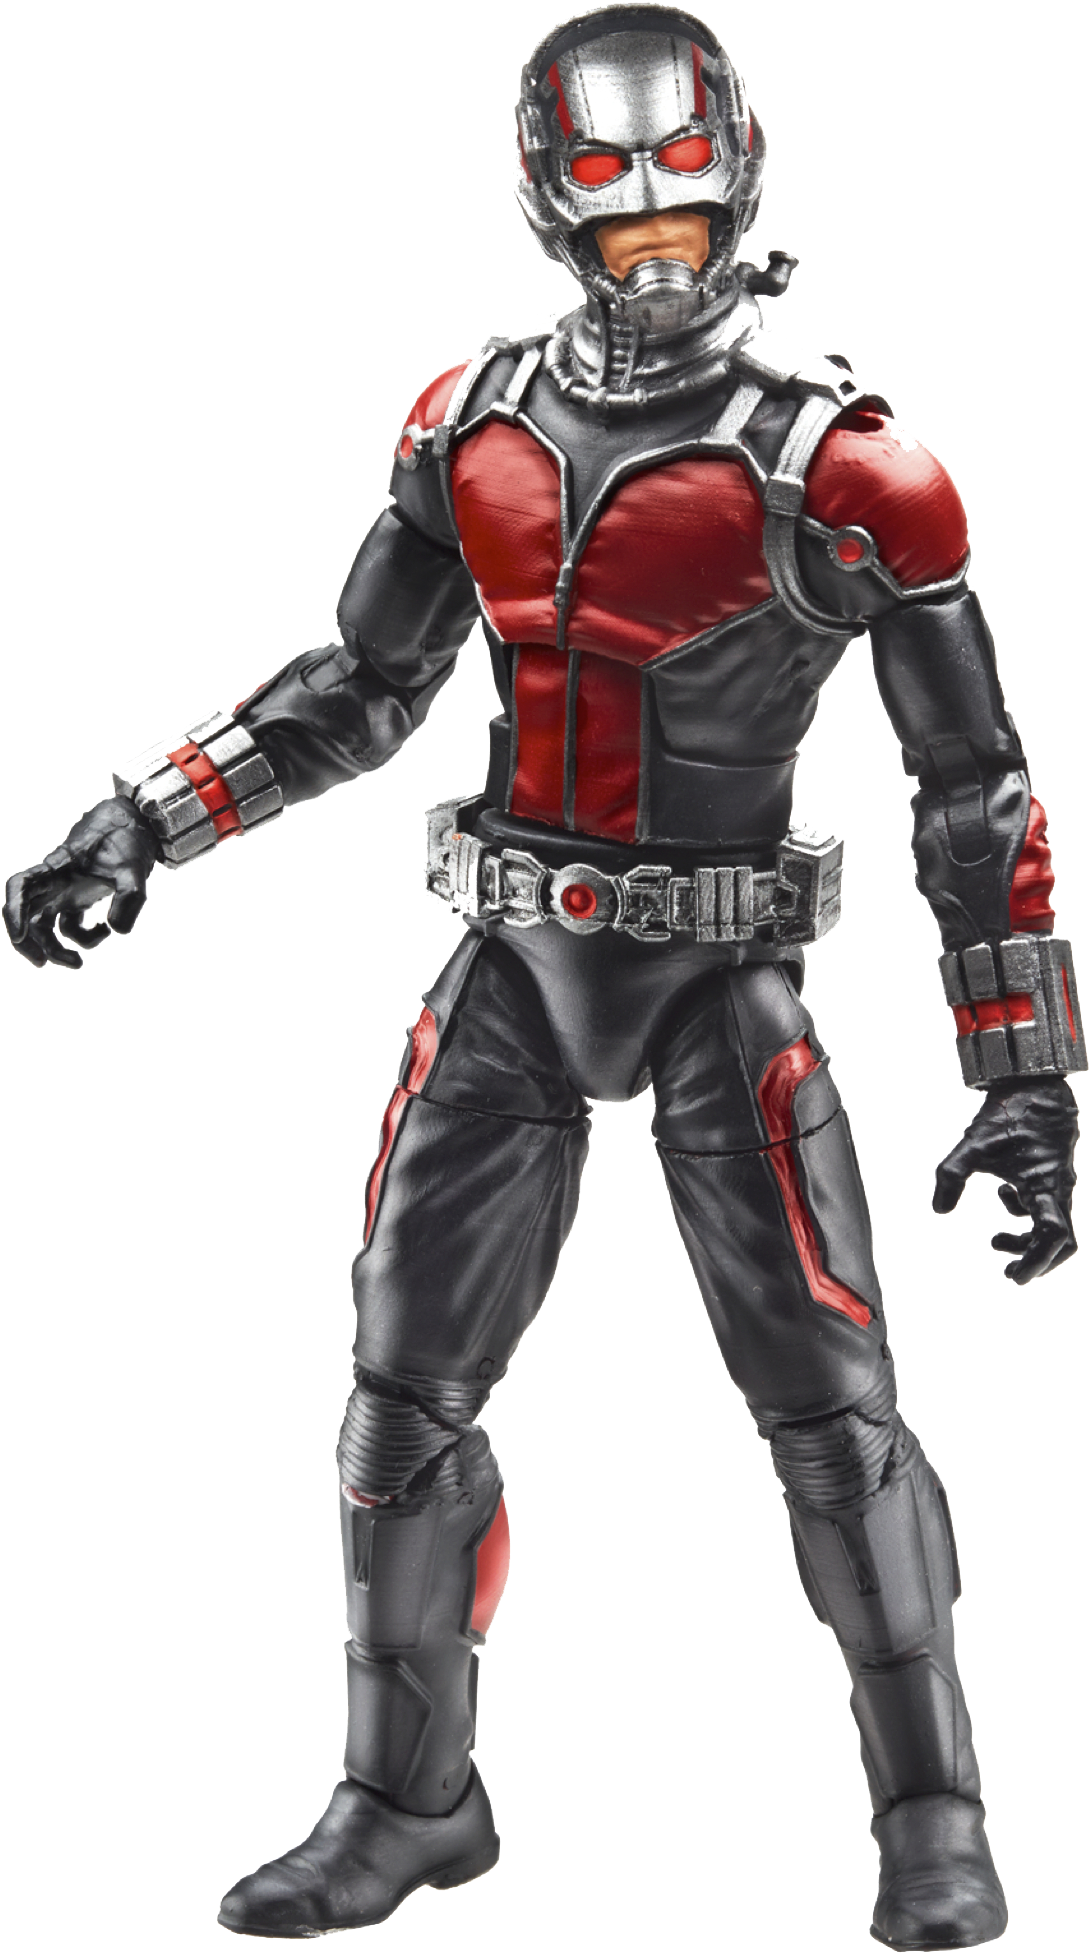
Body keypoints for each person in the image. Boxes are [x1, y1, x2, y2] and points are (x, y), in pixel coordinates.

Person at [5, 8, 1082, 1946]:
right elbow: (362, 687)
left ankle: (934, 1811)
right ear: (550, 207)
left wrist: (1023, 1072)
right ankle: (406, 1802)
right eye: (620, 210)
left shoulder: (844, 469)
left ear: (739, 190)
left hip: (721, 980)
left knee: (829, 1410)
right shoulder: (472, 424)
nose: (658, 250)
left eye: (686, 209)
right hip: (511, 964)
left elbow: (969, 783)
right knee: (396, 1401)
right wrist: (142, 820)